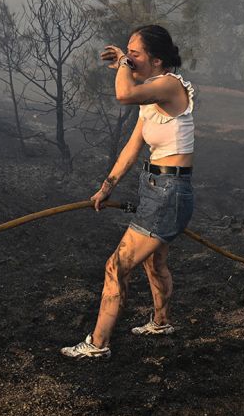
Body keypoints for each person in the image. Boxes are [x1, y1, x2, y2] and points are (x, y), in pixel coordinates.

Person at [61, 25, 196, 359]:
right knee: (155, 263)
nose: (129, 59)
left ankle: (97, 344)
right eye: (128, 53)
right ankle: (161, 323)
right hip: (156, 188)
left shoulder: (169, 85)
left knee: (115, 267)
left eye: (136, 54)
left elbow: (122, 94)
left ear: (157, 59)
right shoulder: (151, 97)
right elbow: (131, 149)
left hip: (169, 192)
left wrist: (122, 63)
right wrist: (106, 187)